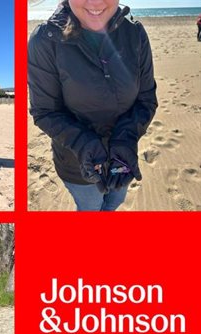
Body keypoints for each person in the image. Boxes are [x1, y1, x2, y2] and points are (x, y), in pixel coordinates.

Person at [28, 0, 157, 211]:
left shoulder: (134, 33)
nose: (95, 2)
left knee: (115, 201)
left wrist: (126, 139)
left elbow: (146, 99)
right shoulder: (45, 40)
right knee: (90, 206)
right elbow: (44, 111)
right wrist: (84, 144)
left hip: (123, 157)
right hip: (75, 162)